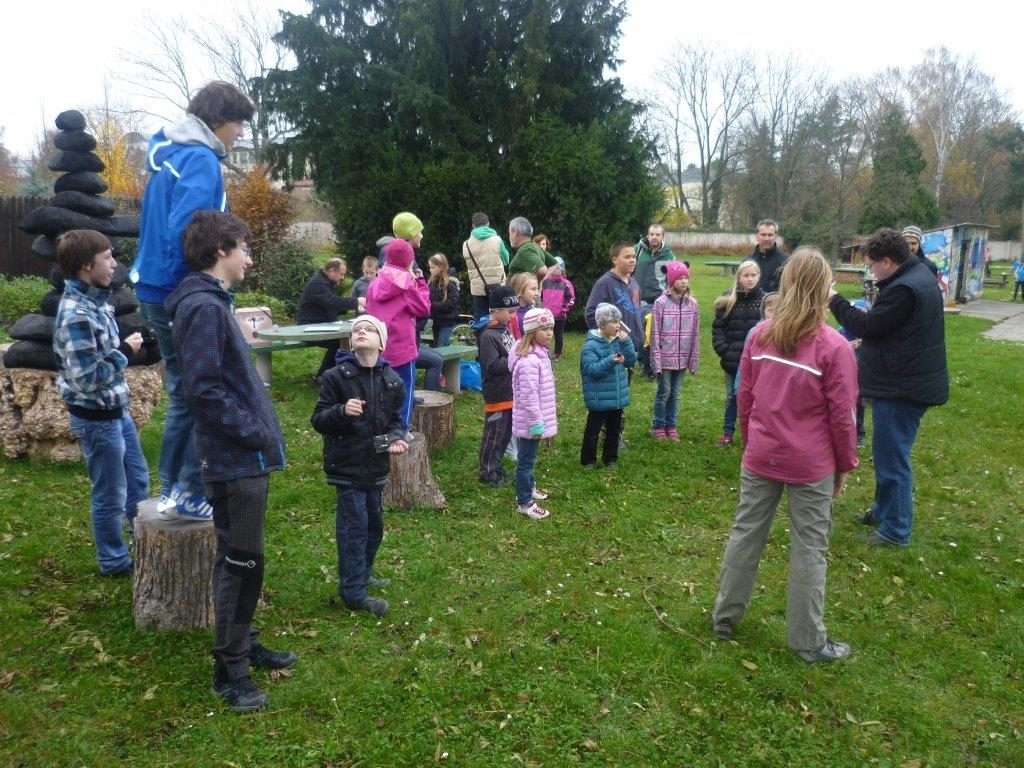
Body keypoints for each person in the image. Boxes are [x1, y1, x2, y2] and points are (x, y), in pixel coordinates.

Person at [165, 210, 294, 714]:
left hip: (243, 456)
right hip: (235, 459)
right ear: (221, 250)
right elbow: (203, 389)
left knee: (239, 557)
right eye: (244, 247)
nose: (250, 256)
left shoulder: (213, 302)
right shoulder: (202, 307)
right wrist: (256, 430)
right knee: (243, 563)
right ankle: (230, 671)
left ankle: (243, 640)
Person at [712, 247, 859, 663]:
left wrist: (750, 440)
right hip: (801, 461)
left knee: (747, 533)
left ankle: (725, 616)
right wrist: (844, 465)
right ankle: (807, 642)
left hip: (770, 454)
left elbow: (745, 399)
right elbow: (844, 418)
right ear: (824, 289)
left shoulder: (778, 338)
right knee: (809, 547)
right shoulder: (830, 347)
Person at [132, 80, 255, 521]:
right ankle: (184, 490)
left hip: (152, 285)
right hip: (178, 290)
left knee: (184, 391)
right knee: (200, 391)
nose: (240, 132)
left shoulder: (171, 155)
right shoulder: (201, 161)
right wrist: (197, 293)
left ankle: (173, 489)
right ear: (217, 120)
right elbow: (190, 235)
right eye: (238, 123)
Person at [829, 228, 949, 547]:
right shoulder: (915, 275)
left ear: (887, 261)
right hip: (905, 380)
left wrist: (833, 299)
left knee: (893, 459)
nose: (870, 271)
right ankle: (883, 511)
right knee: (887, 454)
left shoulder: (905, 288)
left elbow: (866, 326)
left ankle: (895, 529)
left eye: (871, 265)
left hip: (901, 388)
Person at [52, 230, 149, 578]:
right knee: (110, 494)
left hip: (116, 414)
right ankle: (114, 561)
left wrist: (126, 347)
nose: (114, 264)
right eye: (107, 257)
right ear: (85, 265)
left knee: (137, 482)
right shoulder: (76, 314)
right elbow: (87, 379)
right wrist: (125, 352)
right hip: (96, 420)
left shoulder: (97, 302)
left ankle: (145, 546)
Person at [310, 314, 408, 618]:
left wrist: (396, 438)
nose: (361, 331)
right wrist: (342, 410)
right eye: (356, 330)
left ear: (381, 342)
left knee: (373, 527)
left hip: (375, 466)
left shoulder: (393, 381)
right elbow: (318, 420)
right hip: (347, 465)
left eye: (369, 329)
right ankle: (352, 592)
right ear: (351, 342)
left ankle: (362, 574)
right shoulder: (336, 377)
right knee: (354, 528)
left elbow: (397, 421)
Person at [366, 237, 431, 440]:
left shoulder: (376, 282)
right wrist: (420, 282)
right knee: (405, 389)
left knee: (379, 389)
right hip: (402, 348)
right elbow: (423, 309)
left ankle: (379, 428)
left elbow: (369, 309)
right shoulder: (406, 284)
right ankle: (401, 429)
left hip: (378, 346)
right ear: (409, 261)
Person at [509, 308, 557, 520]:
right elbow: (529, 399)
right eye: (544, 329)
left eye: (551, 328)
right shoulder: (529, 361)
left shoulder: (540, 354)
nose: (549, 333)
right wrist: (538, 425)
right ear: (531, 332)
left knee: (530, 457)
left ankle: (530, 486)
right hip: (530, 423)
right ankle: (525, 502)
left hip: (536, 421)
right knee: (525, 461)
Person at [711, 261, 765, 447]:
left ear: (759, 276)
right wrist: (724, 350)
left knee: (757, 398)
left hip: (757, 360)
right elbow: (718, 328)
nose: (750, 279)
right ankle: (728, 432)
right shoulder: (728, 300)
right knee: (732, 397)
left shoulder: (765, 301)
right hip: (733, 359)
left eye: (753, 275)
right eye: (746, 275)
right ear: (739, 277)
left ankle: (753, 435)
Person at [580, 303, 636, 469]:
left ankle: (610, 458)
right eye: (614, 322)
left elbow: (631, 360)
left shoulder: (619, 341)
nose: (618, 325)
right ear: (602, 325)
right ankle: (588, 460)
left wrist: (626, 343)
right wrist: (610, 361)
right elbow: (592, 370)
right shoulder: (591, 345)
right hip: (599, 397)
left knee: (614, 430)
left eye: (619, 321)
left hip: (616, 396)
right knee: (593, 432)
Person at [649, 261, 699, 442]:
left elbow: (695, 332)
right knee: (664, 392)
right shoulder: (660, 303)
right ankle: (658, 425)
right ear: (671, 281)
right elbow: (654, 333)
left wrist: (693, 359)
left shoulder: (692, 304)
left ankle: (671, 425)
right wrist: (656, 361)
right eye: (679, 278)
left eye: (686, 278)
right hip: (665, 358)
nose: (684, 281)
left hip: (683, 358)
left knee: (675, 393)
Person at [477, 286, 519, 488]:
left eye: (514, 312)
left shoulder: (505, 329)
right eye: (509, 312)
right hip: (497, 395)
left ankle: (496, 465)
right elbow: (492, 366)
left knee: (506, 433)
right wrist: (515, 357)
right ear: (495, 310)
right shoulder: (488, 336)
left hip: (510, 392)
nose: (513, 316)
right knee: (494, 434)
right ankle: (486, 471)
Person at [296, 258, 364, 381]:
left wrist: (353, 308)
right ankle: (323, 376)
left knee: (343, 341)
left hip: (317, 325)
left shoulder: (324, 282)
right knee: (340, 342)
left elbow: (328, 305)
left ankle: (334, 374)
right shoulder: (318, 284)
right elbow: (332, 301)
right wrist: (356, 301)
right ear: (332, 271)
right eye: (342, 274)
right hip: (307, 328)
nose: (343, 277)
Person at [635, 224, 677, 377]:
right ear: (647, 235)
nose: (654, 237)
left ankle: (650, 366)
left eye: (657, 235)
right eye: (651, 234)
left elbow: (673, 279)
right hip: (637, 299)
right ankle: (641, 360)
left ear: (662, 237)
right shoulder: (637, 251)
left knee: (651, 333)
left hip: (657, 301)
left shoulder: (669, 256)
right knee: (638, 331)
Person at [837, 299, 871, 449]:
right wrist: (847, 346)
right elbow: (834, 350)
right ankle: (844, 435)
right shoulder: (841, 332)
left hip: (862, 378)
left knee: (860, 407)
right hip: (844, 377)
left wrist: (865, 344)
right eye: (855, 312)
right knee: (845, 406)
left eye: (861, 313)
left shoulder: (869, 335)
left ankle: (859, 435)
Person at [462, 212, 509, 319]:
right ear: (488, 224)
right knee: (500, 319)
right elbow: (506, 261)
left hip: (478, 289)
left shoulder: (466, 244)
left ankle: (482, 335)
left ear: (473, 225)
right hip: (498, 286)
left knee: (481, 321)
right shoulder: (497, 240)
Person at [540, 256, 575, 361]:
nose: (555, 271)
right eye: (553, 269)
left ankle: (557, 354)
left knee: (558, 335)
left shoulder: (566, 284)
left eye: (557, 269)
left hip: (559, 315)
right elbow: (541, 296)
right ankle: (544, 352)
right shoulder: (545, 282)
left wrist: (564, 309)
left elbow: (571, 299)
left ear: (562, 270)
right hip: (546, 314)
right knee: (544, 333)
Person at [427, 252, 460, 347]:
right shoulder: (431, 283)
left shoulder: (450, 284)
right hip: (435, 321)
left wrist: (432, 305)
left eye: (433, 267)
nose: (430, 270)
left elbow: (451, 304)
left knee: (442, 346)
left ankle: (447, 362)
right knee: (437, 346)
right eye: (430, 267)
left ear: (441, 267)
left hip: (447, 321)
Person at [748, 219, 787, 293]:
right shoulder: (748, 261)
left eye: (770, 235)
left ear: (776, 237)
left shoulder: (785, 262)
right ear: (757, 236)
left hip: (776, 303)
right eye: (763, 235)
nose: (766, 238)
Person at [507, 271, 540, 340]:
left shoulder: (533, 311)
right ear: (521, 291)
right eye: (533, 289)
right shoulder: (512, 316)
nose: (537, 293)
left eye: (537, 289)